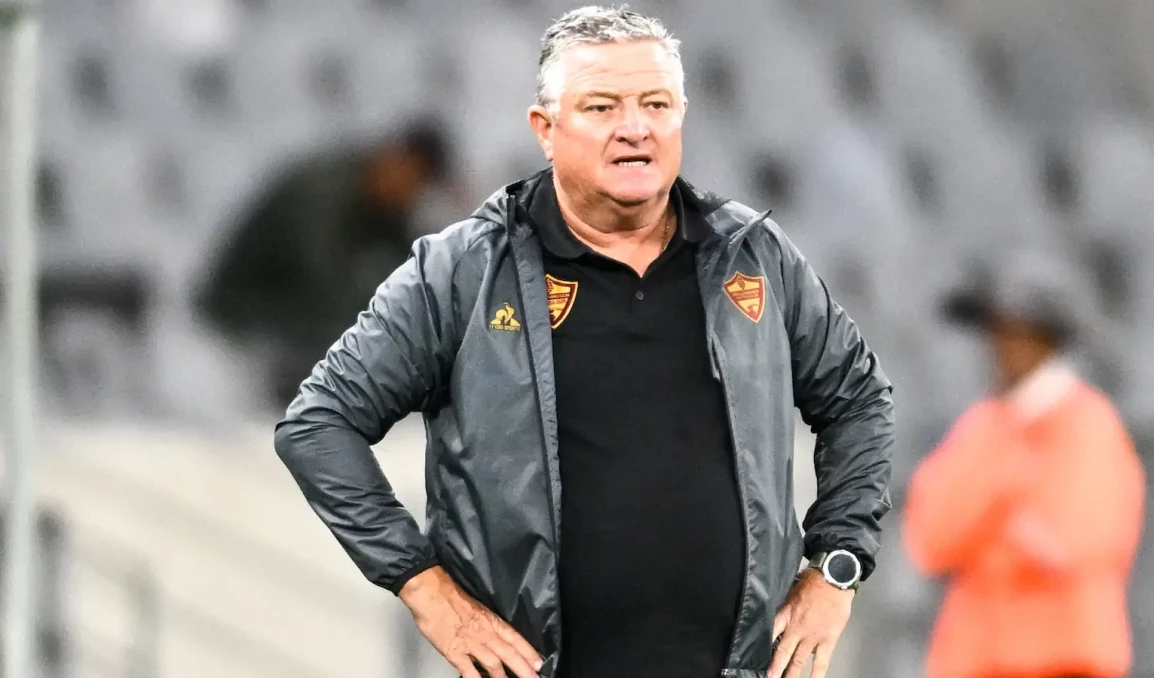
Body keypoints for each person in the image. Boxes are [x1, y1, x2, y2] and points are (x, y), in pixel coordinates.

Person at [274, 7, 894, 678]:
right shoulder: (463, 272)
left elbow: (859, 398)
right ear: (545, 128)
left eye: (656, 103)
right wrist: (426, 589)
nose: (635, 127)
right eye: (602, 107)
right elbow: (318, 425)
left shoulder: (754, 255)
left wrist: (835, 567)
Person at [903, 252, 1145, 678]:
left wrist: (990, 526)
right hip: (976, 664)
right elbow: (930, 537)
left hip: (1064, 663)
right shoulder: (983, 426)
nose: (1000, 346)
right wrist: (1011, 492)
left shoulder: (1089, 423)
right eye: (997, 332)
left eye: (1017, 332)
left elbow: (1069, 540)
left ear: (1048, 339)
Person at [194, 117, 455, 409]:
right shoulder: (325, 193)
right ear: (395, 159)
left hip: (289, 299)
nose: (413, 195)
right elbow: (320, 278)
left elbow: (410, 262)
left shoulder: (377, 195)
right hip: (242, 304)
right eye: (415, 181)